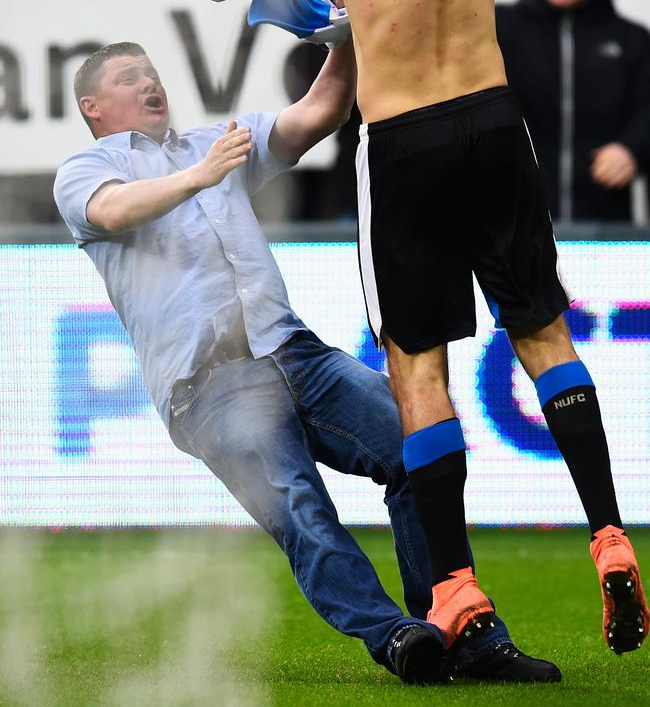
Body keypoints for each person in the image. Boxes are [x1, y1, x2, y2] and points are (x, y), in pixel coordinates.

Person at [51, 0, 649, 659]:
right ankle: (606, 530)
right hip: (495, 120)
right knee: (546, 338)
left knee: (416, 373)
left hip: (407, 145)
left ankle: (453, 595)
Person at [53, 40, 560, 687]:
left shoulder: (215, 141)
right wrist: (199, 177)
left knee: (420, 445)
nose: (150, 82)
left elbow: (320, 110)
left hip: (295, 351)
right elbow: (112, 209)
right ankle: (399, 638)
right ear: (93, 107)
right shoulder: (85, 169)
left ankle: (461, 630)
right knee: (301, 507)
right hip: (210, 385)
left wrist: (353, 28)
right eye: (130, 77)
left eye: (152, 72)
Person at [496, 0, 650, 222]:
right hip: (521, 223)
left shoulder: (632, 38)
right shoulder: (501, 30)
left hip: (606, 227)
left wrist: (633, 150)